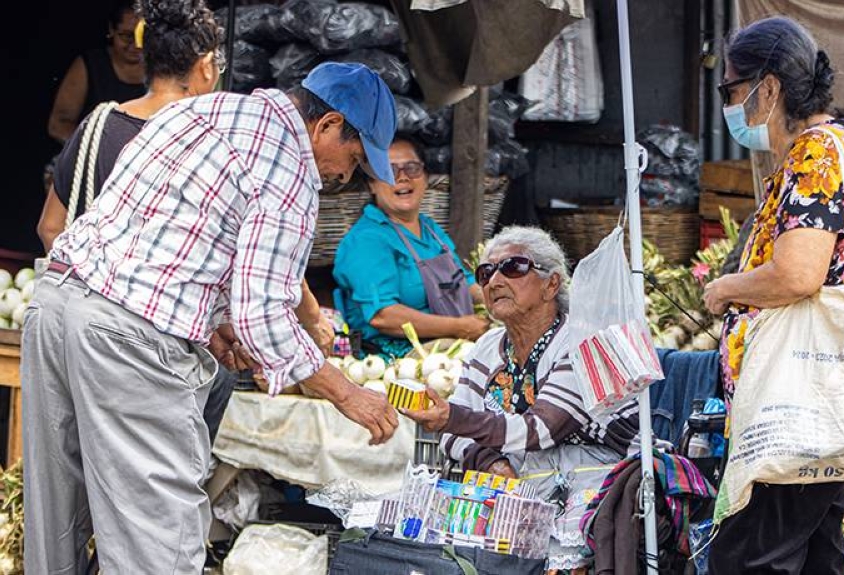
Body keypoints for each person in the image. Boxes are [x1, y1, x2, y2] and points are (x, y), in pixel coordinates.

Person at [21, 61, 400, 574]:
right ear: (327, 125)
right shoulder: (290, 164)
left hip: (57, 307)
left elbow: (170, 237)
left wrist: (213, 319)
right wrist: (346, 393)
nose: (343, 176)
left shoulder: (205, 109)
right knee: (159, 548)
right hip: (128, 340)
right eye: (353, 159)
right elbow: (265, 309)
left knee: (55, 528)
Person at [36, 0, 334, 385]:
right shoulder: (217, 139)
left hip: (72, 315)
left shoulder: (98, 124)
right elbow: (259, 259)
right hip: (160, 344)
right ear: (207, 65)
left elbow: (50, 227)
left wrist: (87, 295)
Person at [701, 16, 844, 574]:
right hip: (830, 401)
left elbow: (798, 274)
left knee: (749, 560)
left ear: (768, 88)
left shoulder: (815, 155)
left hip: (798, 407)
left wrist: (726, 288)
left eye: (731, 91)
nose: (731, 105)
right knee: (816, 558)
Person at [405, 226, 639, 574]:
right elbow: (452, 438)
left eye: (513, 268)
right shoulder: (488, 346)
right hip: (524, 485)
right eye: (486, 273)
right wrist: (492, 463)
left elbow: (540, 429)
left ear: (551, 284)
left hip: (596, 482)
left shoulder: (581, 342)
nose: (495, 280)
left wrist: (449, 417)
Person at [334, 136, 489, 358]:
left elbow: (463, 279)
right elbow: (383, 315)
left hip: (448, 346)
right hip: (395, 358)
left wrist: (498, 302)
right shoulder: (367, 239)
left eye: (412, 168)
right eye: (389, 170)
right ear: (372, 184)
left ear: (425, 178)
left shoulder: (430, 229)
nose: (403, 177)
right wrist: (458, 327)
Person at [47, 0, 146, 145]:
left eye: (142, 36)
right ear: (111, 30)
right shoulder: (90, 65)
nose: (136, 45)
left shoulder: (164, 67)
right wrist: (99, 150)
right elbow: (58, 125)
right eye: (126, 36)